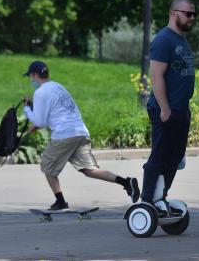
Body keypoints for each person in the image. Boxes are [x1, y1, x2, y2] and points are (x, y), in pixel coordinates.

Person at [22, 61, 140, 210]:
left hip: (65, 135)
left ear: (34, 75)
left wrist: (27, 110)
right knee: (89, 170)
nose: (30, 80)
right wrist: (37, 124)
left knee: (47, 166)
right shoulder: (58, 87)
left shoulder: (40, 92)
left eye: (30, 77)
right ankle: (126, 182)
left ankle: (60, 202)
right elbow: (57, 112)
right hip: (80, 131)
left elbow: (41, 120)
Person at [141, 0, 196, 215]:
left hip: (182, 109)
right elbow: (156, 76)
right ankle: (146, 200)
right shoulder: (164, 40)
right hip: (166, 109)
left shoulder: (181, 40)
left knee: (175, 156)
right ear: (174, 13)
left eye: (194, 14)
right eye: (188, 13)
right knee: (160, 154)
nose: (192, 18)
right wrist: (165, 108)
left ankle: (160, 197)